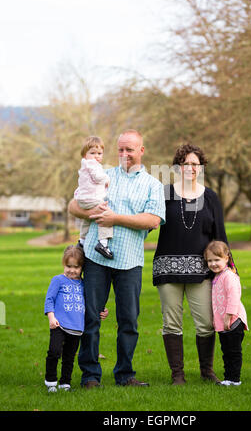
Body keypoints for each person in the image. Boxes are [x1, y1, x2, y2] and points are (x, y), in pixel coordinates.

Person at [68, 129, 165, 388]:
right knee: (90, 318)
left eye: (129, 149)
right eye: (120, 149)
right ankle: (90, 375)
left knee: (128, 321)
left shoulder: (153, 185)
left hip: (130, 262)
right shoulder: (103, 175)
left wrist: (115, 219)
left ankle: (125, 375)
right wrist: (92, 214)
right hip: (96, 259)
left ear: (141, 151)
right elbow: (73, 205)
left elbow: (153, 219)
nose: (124, 154)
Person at [153, 143, 233, 385]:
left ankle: (206, 371)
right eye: (186, 164)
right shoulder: (164, 193)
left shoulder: (210, 197)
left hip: (202, 271)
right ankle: (177, 374)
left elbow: (220, 235)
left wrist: (231, 268)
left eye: (195, 164)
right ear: (178, 167)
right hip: (167, 270)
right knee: (171, 323)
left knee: (206, 323)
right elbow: (149, 221)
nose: (191, 168)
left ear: (202, 167)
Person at [44, 245, 109, 392]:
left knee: (69, 357)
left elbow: (90, 302)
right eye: (68, 266)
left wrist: (101, 310)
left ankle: (65, 382)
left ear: (82, 267)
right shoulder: (58, 280)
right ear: (63, 264)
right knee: (54, 352)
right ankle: (51, 382)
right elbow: (49, 300)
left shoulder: (84, 284)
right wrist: (51, 317)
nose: (72, 270)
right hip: (59, 324)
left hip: (76, 327)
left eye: (76, 267)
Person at [204, 240, 248, 386]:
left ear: (226, 258)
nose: (213, 263)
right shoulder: (217, 276)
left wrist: (228, 316)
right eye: (210, 260)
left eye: (217, 260)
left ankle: (234, 379)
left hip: (233, 322)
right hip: (224, 324)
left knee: (233, 352)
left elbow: (233, 297)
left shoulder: (229, 276)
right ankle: (228, 378)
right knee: (227, 352)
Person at [74, 135, 113, 259]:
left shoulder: (85, 165)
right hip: (92, 198)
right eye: (92, 153)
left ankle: (82, 240)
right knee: (106, 215)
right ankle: (103, 243)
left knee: (87, 219)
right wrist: (107, 178)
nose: (96, 156)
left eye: (99, 153)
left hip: (83, 199)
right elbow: (97, 177)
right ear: (85, 154)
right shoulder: (92, 164)